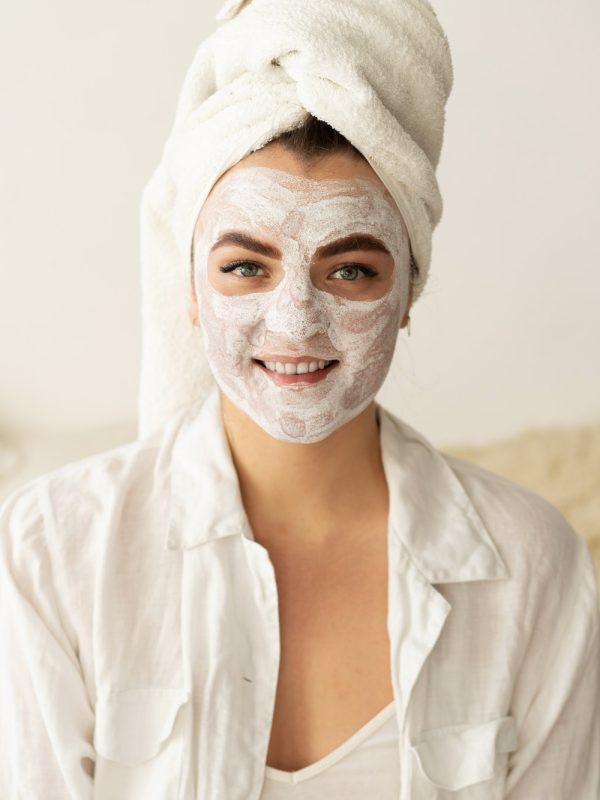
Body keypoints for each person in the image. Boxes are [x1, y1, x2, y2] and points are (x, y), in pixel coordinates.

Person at [1, 2, 599, 800]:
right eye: (246, 267)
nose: (295, 323)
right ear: (189, 287)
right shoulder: (51, 551)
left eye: (349, 269)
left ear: (409, 291)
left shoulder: (531, 564)